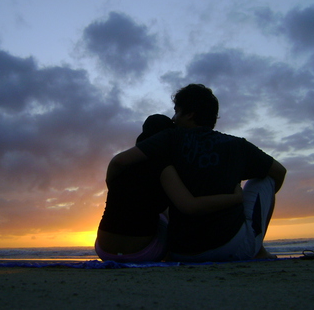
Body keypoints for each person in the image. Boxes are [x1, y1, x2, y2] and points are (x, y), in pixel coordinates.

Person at [106, 84, 287, 262]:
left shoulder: (170, 137)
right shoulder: (238, 145)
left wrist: (112, 190)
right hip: (232, 248)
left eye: (176, 111)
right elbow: (279, 172)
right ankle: (259, 249)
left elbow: (119, 161)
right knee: (265, 179)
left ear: (190, 114)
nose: (174, 119)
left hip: (180, 252)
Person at [96, 114, 244, 262]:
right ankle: (169, 257)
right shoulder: (163, 167)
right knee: (168, 213)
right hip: (141, 254)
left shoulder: (124, 164)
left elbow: (116, 174)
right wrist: (235, 198)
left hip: (103, 251)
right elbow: (190, 206)